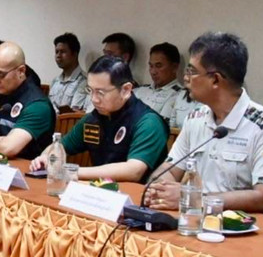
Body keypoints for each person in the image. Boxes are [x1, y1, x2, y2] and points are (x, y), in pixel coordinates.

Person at [145, 32, 263, 215]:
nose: (186, 78)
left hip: (245, 226)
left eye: (191, 71)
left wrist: (192, 198)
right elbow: (170, 169)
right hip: (197, 220)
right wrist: (158, 188)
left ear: (215, 79)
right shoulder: (195, 118)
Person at [30, 56, 168, 182]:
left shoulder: (148, 122)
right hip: (101, 191)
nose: (94, 99)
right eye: (90, 90)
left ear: (125, 90)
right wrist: (46, 158)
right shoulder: (94, 119)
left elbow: (133, 171)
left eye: (100, 92)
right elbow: (61, 146)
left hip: (137, 196)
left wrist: (71, 172)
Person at [134, 42, 184, 120]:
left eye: (158, 66)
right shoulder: (140, 90)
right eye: (151, 66)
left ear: (174, 67)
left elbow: (161, 124)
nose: (153, 72)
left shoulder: (180, 95)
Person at [48, 32, 88, 112]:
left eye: (63, 52)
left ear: (75, 54)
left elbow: (73, 113)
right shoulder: (55, 81)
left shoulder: (84, 81)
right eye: (56, 52)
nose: (58, 56)